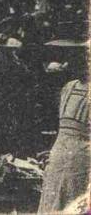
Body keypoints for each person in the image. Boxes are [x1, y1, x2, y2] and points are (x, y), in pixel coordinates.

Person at [38, 40, 88, 213]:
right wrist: (53, 148)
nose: (69, 65)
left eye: (80, 60)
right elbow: (63, 126)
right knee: (52, 199)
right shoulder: (69, 87)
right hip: (59, 155)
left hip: (83, 160)